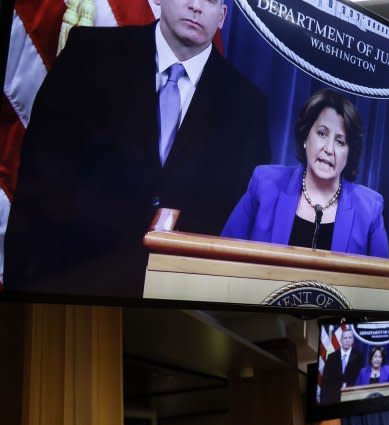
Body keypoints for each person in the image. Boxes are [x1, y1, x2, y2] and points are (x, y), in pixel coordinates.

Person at [4, 0, 269, 298]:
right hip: (68, 289)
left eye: (210, 1)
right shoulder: (89, 55)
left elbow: (238, 224)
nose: (196, 7)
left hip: (178, 310)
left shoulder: (248, 107)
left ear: (222, 16)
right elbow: (38, 178)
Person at [222, 88, 389, 257]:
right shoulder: (265, 183)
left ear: (349, 153)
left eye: (340, 142)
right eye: (322, 133)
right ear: (305, 136)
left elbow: (384, 281)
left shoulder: (369, 209)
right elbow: (224, 256)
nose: (329, 149)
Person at [318, 328, 364, 404]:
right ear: (341, 341)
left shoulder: (359, 356)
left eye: (350, 338)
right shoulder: (331, 357)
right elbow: (325, 382)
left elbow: (361, 378)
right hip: (333, 399)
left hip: (352, 398)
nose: (347, 340)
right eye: (345, 338)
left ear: (353, 340)